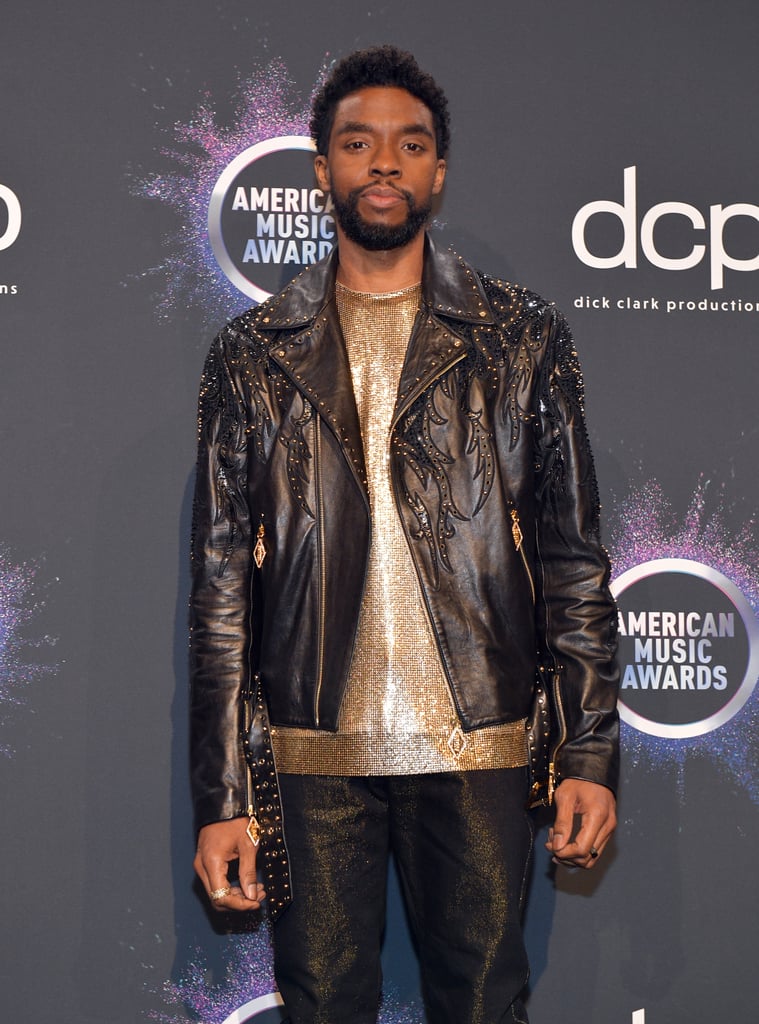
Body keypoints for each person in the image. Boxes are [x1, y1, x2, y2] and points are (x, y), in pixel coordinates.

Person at [190, 44, 619, 1024]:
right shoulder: (251, 356)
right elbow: (220, 592)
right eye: (358, 142)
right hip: (306, 759)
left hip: (483, 749)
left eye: (409, 143)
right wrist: (224, 794)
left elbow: (572, 562)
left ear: (438, 170)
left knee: (482, 1006)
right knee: (324, 1009)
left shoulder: (521, 338)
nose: (384, 162)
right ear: (321, 171)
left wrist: (589, 750)